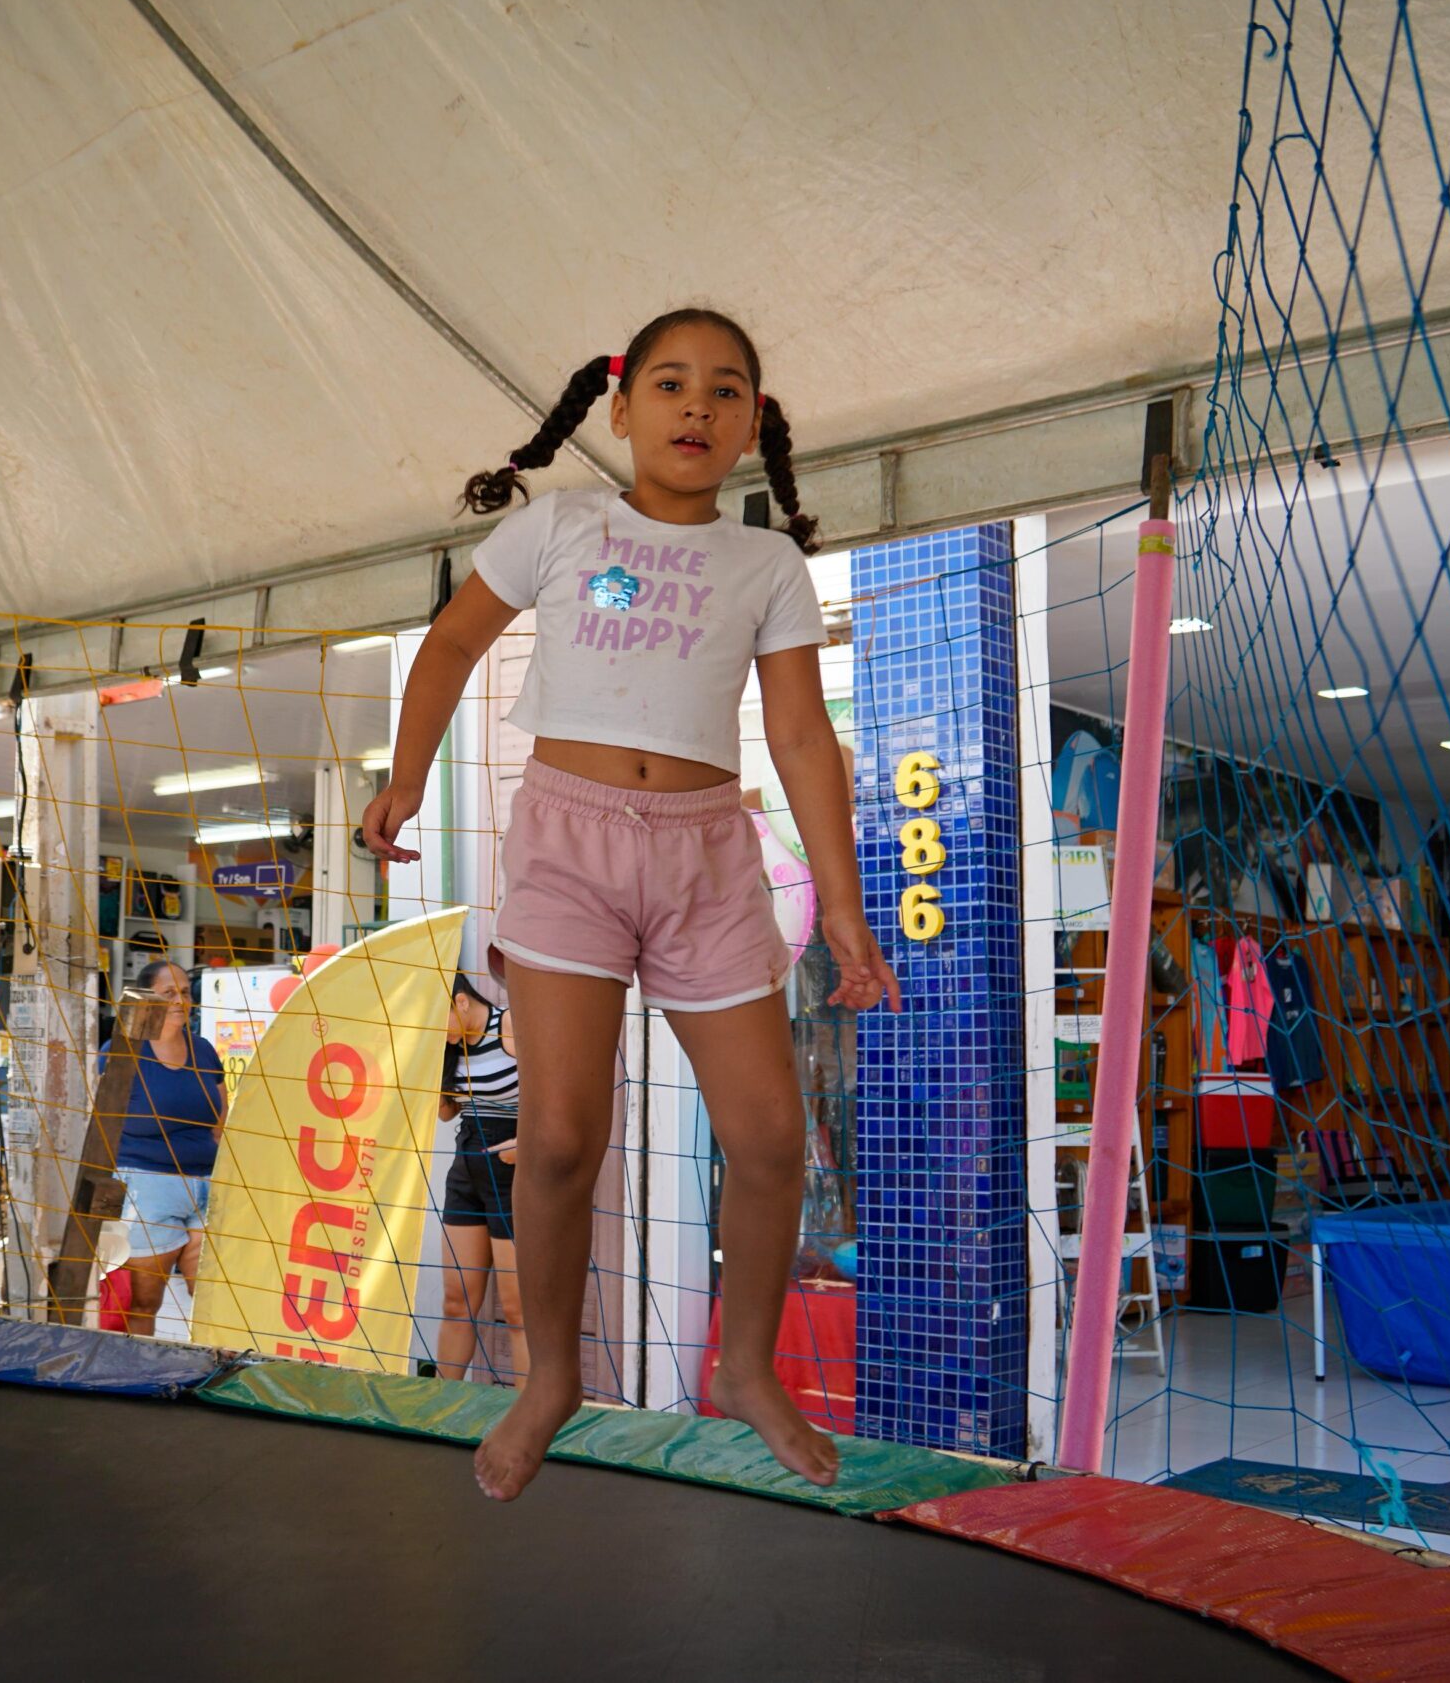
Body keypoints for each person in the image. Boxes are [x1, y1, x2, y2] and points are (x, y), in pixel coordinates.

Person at [362, 308, 903, 1503]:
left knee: (768, 1140)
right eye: (669, 384)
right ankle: (549, 1377)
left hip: (711, 855)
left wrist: (850, 911)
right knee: (557, 1136)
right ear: (619, 410)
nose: (697, 407)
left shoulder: (765, 565)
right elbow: (451, 647)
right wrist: (405, 775)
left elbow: (804, 737)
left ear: (755, 422)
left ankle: (748, 1370)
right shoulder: (560, 524)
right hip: (570, 842)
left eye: (725, 390)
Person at [102, 959, 227, 1336]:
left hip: (205, 1185)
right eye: (168, 993)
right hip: (147, 1188)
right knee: (144, 1301)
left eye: (185, 992)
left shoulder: (203, 1050)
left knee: (213, 1297)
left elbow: (222, 1118)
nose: (179, 1001)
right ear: (146, 998)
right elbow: (99, 1124)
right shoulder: (121, 1051)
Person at [435, 974, 526, 1384]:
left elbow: (560, 1094)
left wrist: (525, 1146)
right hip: (467, 1161)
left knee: (518, 1309)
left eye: (438, 1020)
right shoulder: (447, 1049)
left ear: (462, 1002)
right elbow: (445, 1113)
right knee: (457, 1302)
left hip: (511, 1165)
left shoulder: (511, 1026)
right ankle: (437, 1408)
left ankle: (531, 1414)